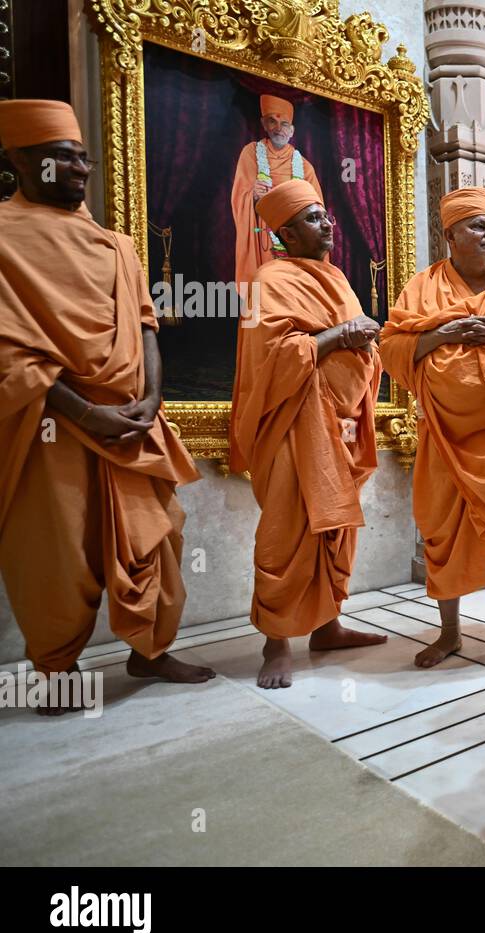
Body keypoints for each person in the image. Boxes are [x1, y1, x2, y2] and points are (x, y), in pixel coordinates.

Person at [0, 99, 214, 711]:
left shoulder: (118, 245)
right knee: (56, 551)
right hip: (53, 426)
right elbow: (9, 356)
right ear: (19, 159)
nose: (78, 169)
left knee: (161, 535)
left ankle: (150, 652)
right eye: (60, 158)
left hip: (135, 423)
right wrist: (85, 413)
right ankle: (57, 672)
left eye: (81, 158)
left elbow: (145, 326)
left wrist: (151, 399)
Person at [230, 180, 388, 690]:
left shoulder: (337, 277)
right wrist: (343, 335)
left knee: (336, 529)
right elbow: (268, 357)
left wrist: (365, 342)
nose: (329, 224)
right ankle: (275, 643)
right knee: (286, 531)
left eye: (327, 216)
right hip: (293, 427)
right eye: (315, 218)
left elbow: (351, 339)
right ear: (286, 233)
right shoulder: (268, 281)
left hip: (339, 425)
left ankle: (328, 626)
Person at [378, 187, 485, 667]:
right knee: (441, 529)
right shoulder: (423, 289)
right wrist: (442, 333)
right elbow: (390, 348)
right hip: (443, 437)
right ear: (450, 235)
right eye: (476, 225)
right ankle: (449, 633)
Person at [230, 95, 322, 291]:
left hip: (295, 242)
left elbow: (317, 210)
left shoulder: (304, 166)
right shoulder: (252, 153)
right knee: (266, 292)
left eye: (284, 123)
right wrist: (252, 194)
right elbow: (239, 196)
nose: (278, 128)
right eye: (272, 121)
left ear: (292, 130)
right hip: (263, 237)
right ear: (264, 123)